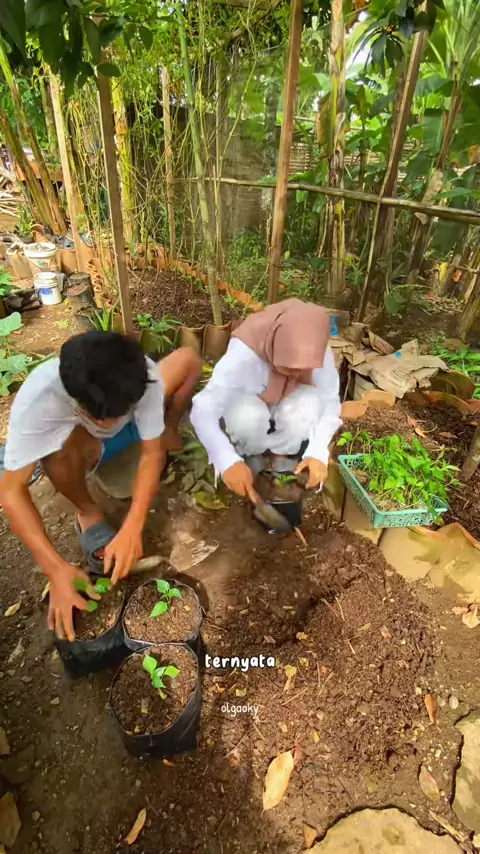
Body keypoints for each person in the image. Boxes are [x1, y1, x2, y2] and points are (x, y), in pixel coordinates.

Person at [0, 331, 201, 641]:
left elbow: (152, 455)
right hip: (84, 450)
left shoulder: (140, 374)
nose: (107, 423)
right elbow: (11, 491)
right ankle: (88, 513)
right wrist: (55, 569)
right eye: (96, 414)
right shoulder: (39, 400)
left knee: (188, 360)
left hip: (132, 434)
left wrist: (133, 524)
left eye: (116, 412)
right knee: (56, 451)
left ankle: (163, 428)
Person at [190, 298, 342, 500]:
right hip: (249, 401)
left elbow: (330, 403)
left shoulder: (317, 350)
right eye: (289, 368)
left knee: (310, 404)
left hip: (290, 403)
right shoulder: (245, 352)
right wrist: (226, 459)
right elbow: (203, 409)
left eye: (303, 369)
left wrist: (318, 451)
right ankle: (248, 455)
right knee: (246, 417)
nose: (297, 375)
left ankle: (282, 456)